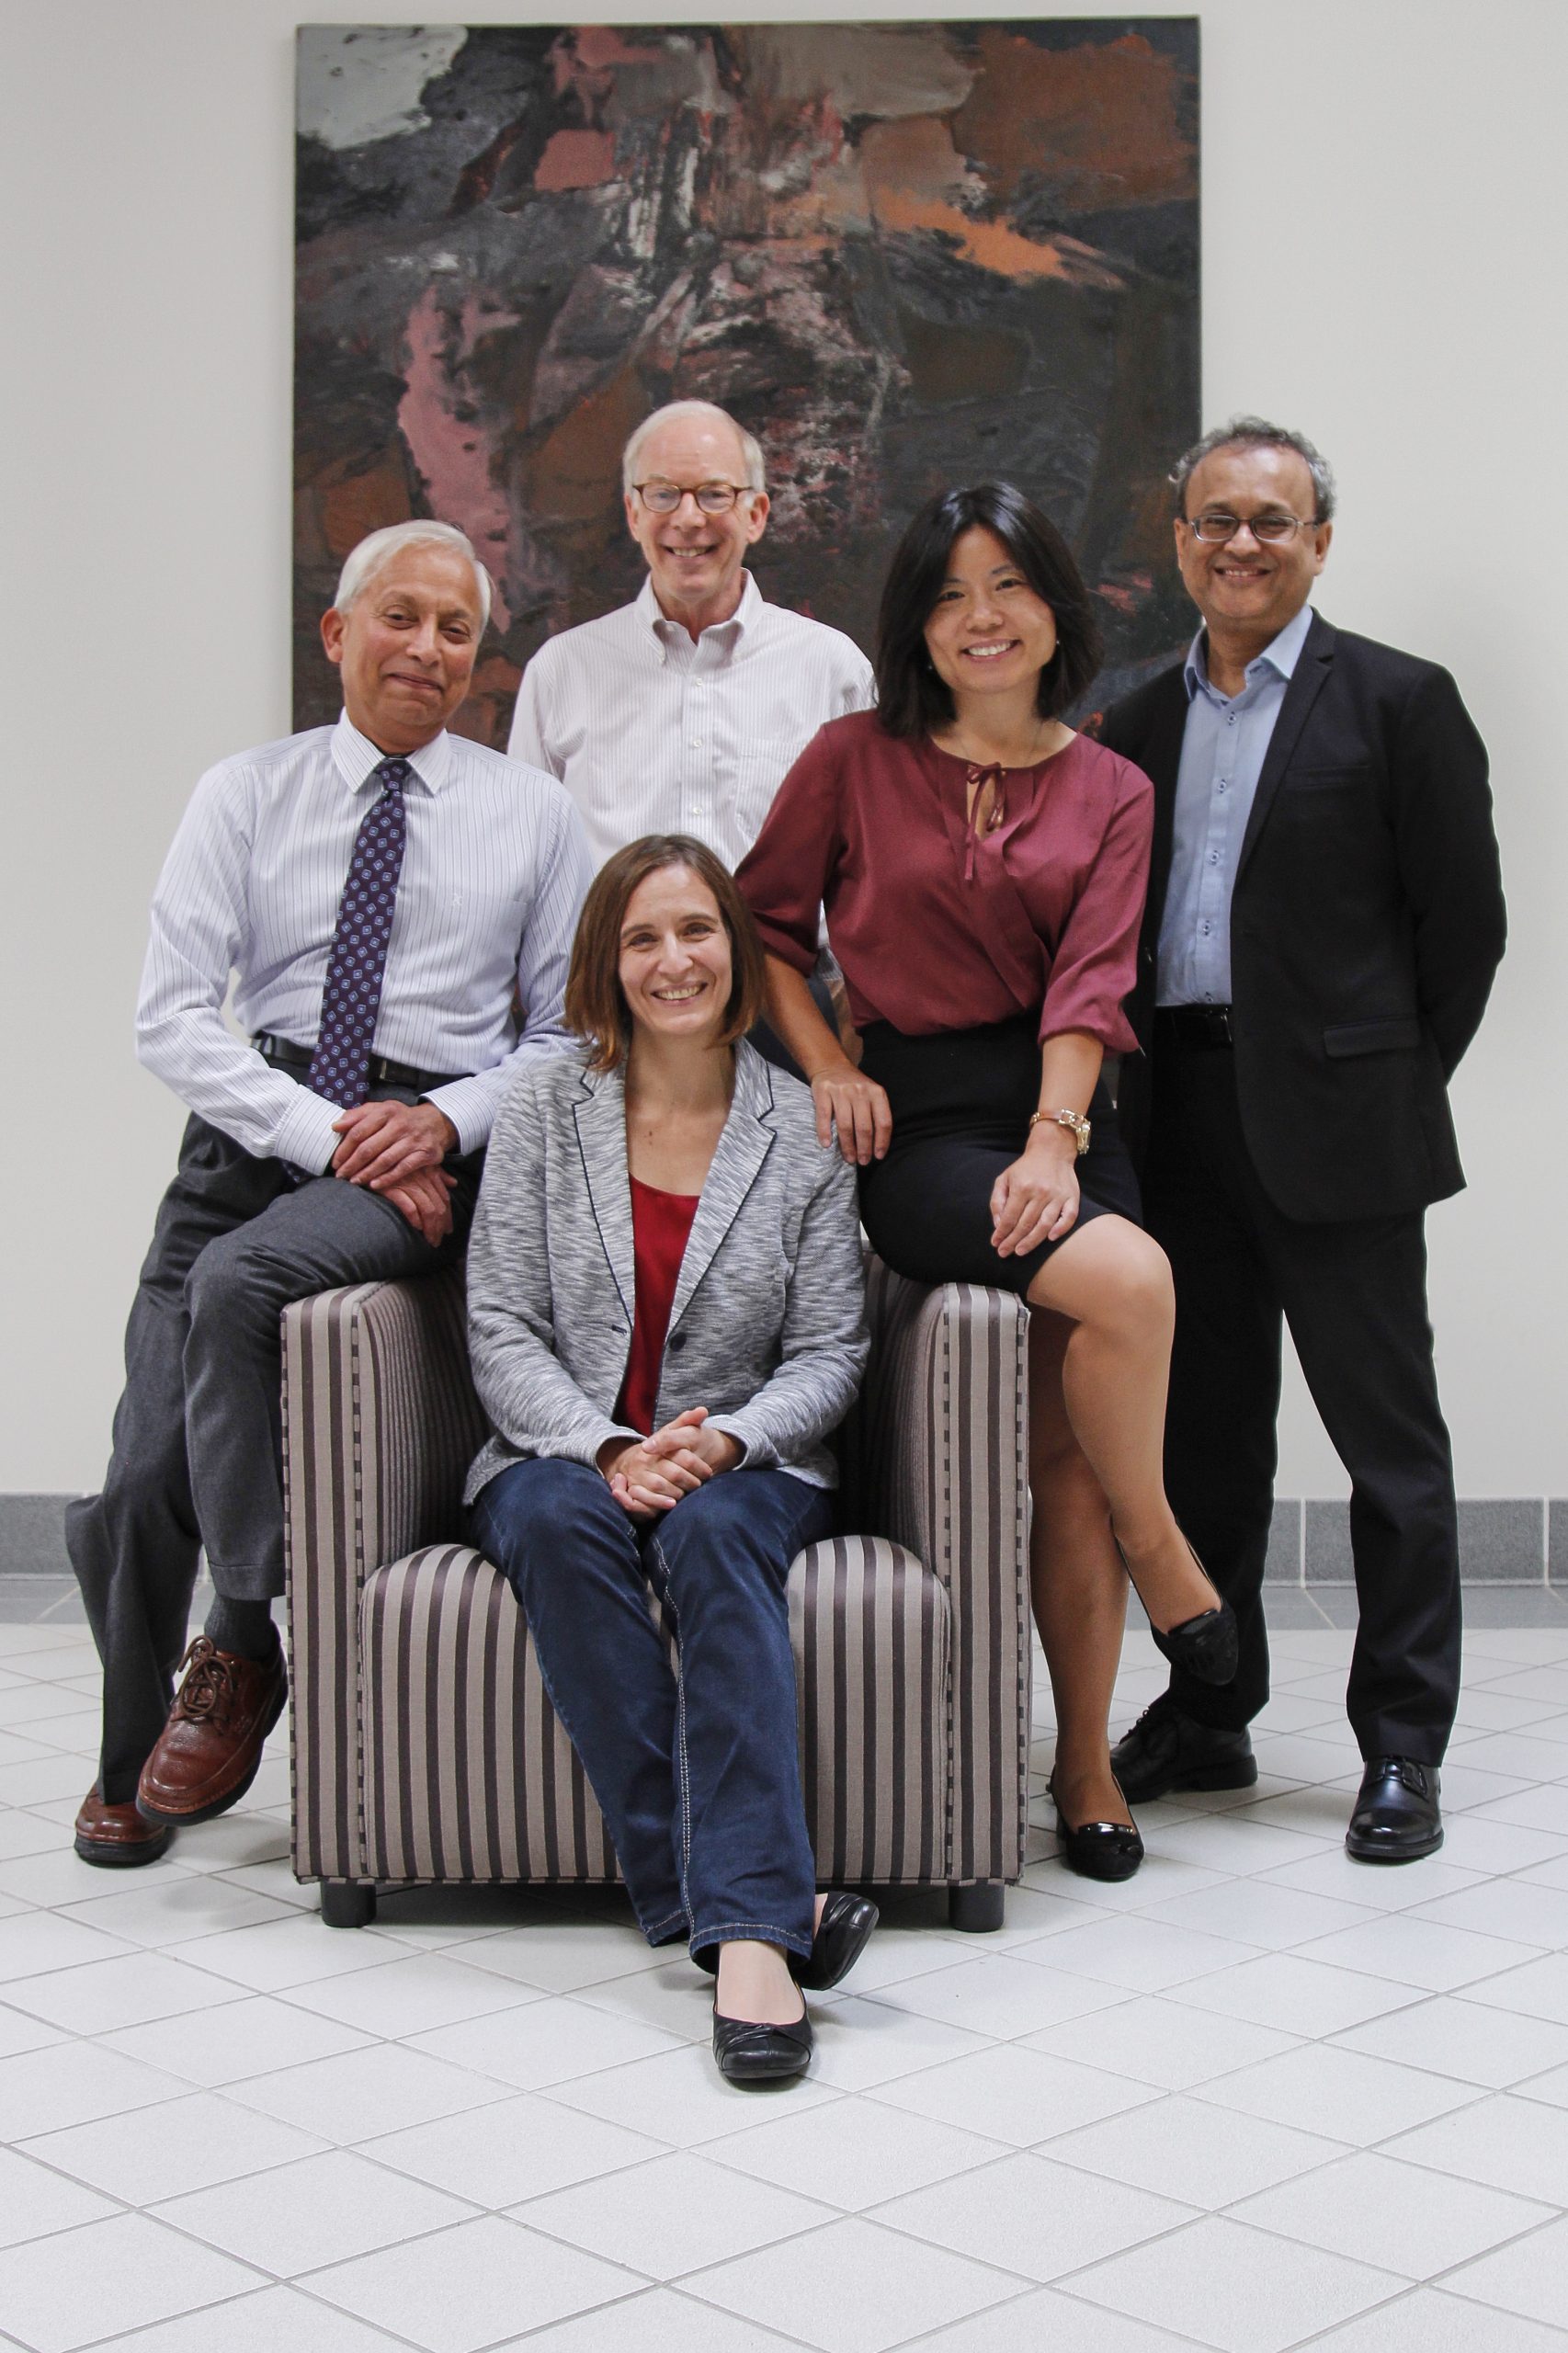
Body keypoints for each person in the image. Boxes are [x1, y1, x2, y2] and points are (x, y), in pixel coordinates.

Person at [67, 522, 592, 1869]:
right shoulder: (243, 792)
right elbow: (175, 1019)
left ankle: (240, 1639)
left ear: (482, 657)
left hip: (428, 1149)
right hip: (257, 1124)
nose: (426, 649)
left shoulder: (531, 814)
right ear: (337, 634)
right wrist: (324, 1134)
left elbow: (566, 1035)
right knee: (137, 1475)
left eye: (456, 630)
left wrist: (430, 1126)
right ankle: (127, 1761)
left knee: (243, 1290)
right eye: (400, 619)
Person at [738, 483, 1238, 1886]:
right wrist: (832, 1060)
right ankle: (1166, 1553)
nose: (980, 618)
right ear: (917, 622)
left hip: (1060, 1111)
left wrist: (1055, 1138)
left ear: (1050, 608)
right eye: (950, 593)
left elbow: (1092, 982)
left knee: (1066, 1467)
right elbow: (764, 925)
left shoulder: (1111, 788)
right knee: (1129, 1275)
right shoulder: (848, 757)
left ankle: (1081, 1766)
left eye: (1007, 586)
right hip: (916, 1129)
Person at [1096, 416, 1506, 1863]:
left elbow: (1463, 931)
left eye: (1272, 520)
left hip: (1342, 1127)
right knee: (1202, 1447)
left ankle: (1400, 1746)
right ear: (1179, 540)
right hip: (1179, 1125)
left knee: (1387, 1452)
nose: (1242, 543)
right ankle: (1212, 1711)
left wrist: (1381, 1081)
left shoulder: (1396, 702)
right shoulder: (1132, 719)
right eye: (1215, 518)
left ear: (1318, 540)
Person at [463, 835, 875, 2085]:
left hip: (742, 1465)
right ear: (606, 963)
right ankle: (756, 1915)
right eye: (641, 937)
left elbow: (831, 1351)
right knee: (547, 1522)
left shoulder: (801, 1126)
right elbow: (498, 1319)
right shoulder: (541, 1107)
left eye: (696, 930)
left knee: (706, 1540)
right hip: (564, 1449)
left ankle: (743, 1940)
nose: (672, 959)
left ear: (737, 953)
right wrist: (605, 1444)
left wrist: (727, 1439)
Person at [507, 399, 874, 872]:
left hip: (783, 950)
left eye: (714, 494)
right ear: (633, 514)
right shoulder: (561, 672)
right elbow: (525, 865)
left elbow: (872, 866)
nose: (688, 519)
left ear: (756, 514)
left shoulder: (832, 669)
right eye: (662, 494)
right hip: (609, 949)